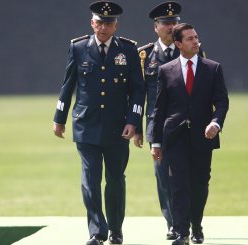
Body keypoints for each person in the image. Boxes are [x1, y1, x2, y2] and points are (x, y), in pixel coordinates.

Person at [52, 1, 144, 245]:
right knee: (90, 179)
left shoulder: (128, 50)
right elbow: (68, 85)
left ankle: (115, 229)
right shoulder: (79, 47)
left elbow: (137, 90)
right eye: (99, 22)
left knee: (115, 179)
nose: (103, 27)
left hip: (118, 127)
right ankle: (97, 232)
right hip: (86, 126)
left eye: (108, 23)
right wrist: (59, 118)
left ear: (116, 25)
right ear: (92, 23)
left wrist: (134, 121)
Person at [151, 23, 229, 245]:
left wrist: (216, 122)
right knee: (178, 185)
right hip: (174, 137)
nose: (196, 42)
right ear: (178, 43)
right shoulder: (166, 71)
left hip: (204, 136)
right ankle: (182, 232)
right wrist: (156, 142)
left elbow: (222, 101)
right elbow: (159, 108)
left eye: (196, 37)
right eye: (190, 39)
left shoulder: (213, 68)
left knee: (200, 185)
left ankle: (196, 225)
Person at [134, 1, 205, 240]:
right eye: (166, 23)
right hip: (158, 126)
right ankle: (173, 224)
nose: (170, 26)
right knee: (163, 176)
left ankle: (193, 222)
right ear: (156, 27)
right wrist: (136, 127)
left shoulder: (191, 51)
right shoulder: (143, 55)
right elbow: (138, 94)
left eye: (174, 22)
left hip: (188, 124)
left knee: (193, 177)